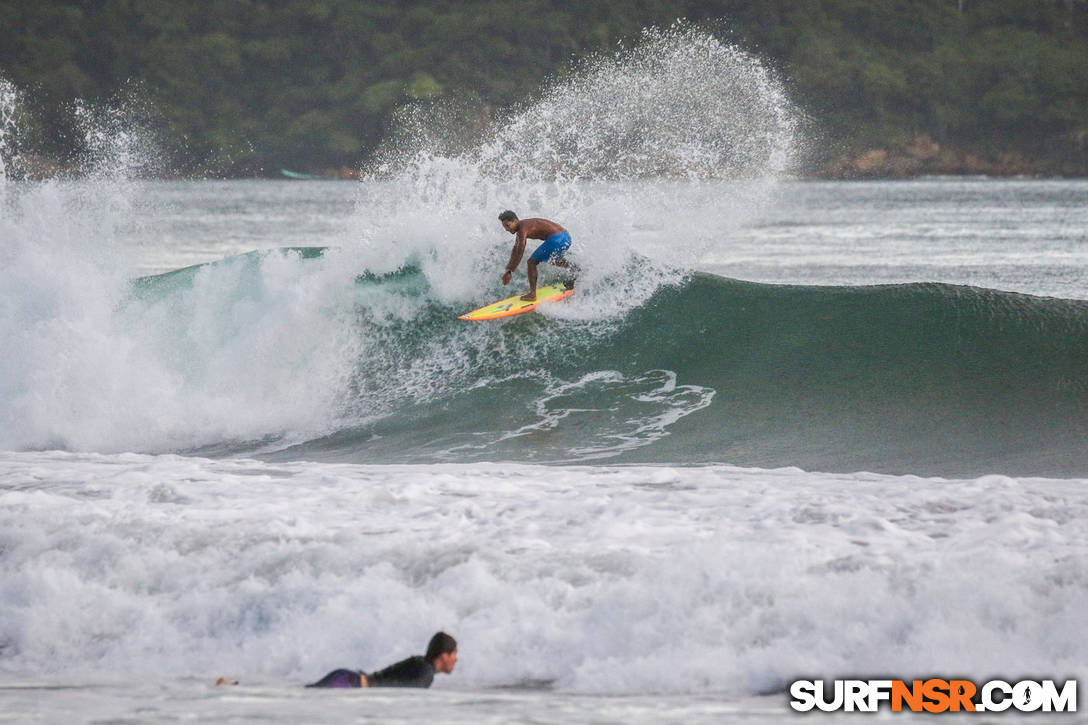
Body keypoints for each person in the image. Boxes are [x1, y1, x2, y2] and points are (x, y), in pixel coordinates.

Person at [306, 631, 458, 689]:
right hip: (349, 683)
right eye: (454, 654)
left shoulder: (420, 662)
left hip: (347, 679)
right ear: (444, 655)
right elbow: (399, 697)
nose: (456, 660)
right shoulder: (426, 674)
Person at [499, 210, 578, 301]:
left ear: (515, 221)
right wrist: (509, 269)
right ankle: (575, 269)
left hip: (556, 238)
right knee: (550, 259)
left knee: (531, 262)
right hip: (566, 237)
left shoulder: (522, 229)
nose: (506, 229)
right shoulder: (522, 227)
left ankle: (532, 295)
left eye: (508, 225)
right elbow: (515, 249)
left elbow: (520, 251)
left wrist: (510, 271)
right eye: (504, 227)